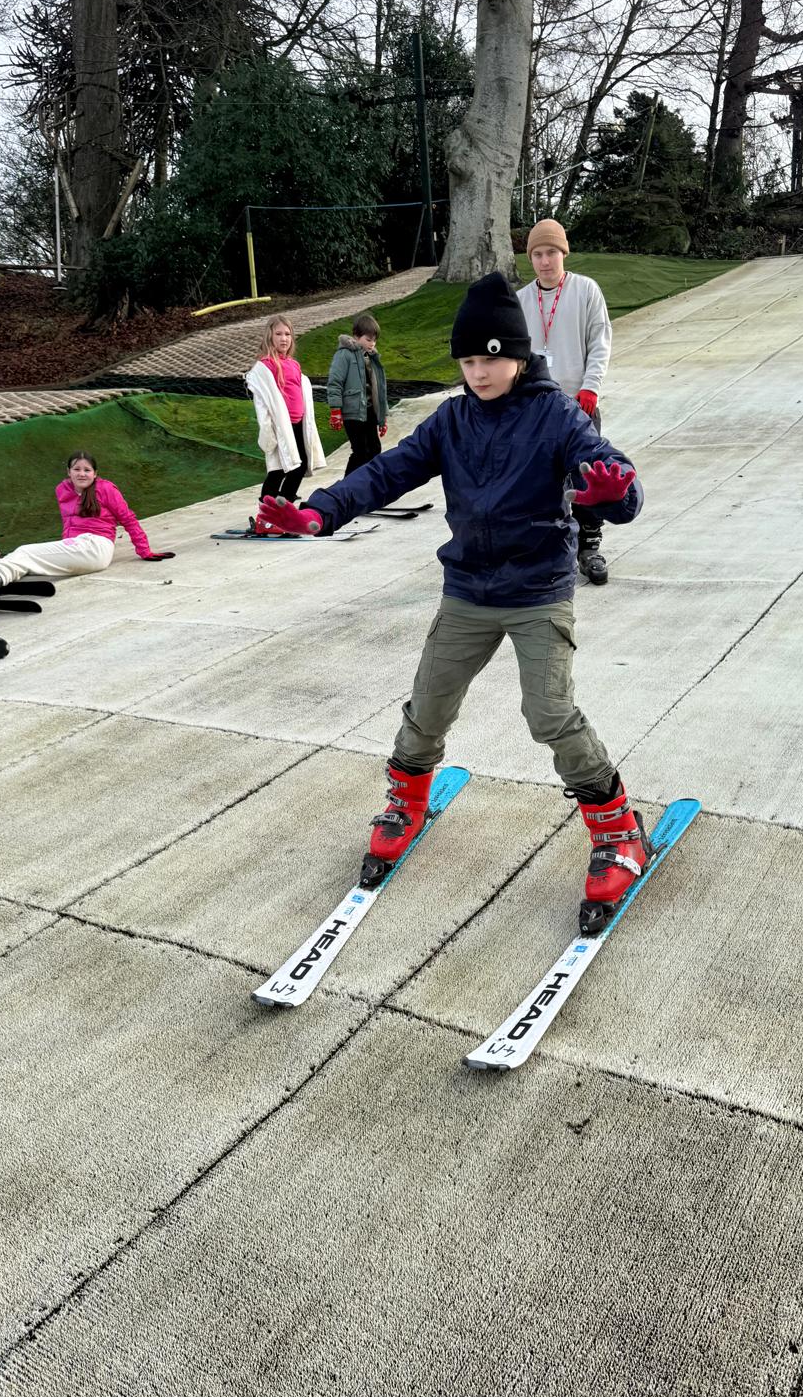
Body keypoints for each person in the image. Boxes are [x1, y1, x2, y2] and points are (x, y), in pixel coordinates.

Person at [258, 272, 649, 934]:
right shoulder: (453, 419)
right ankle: (406, 801)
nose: (479, 372)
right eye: (467, 361)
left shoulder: (557, 415)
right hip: (468, 588)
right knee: (429, 704)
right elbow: (387, 471)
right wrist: (321, 511)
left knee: (550, 713)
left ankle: (617, 829)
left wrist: (616, 495)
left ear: (518, 355)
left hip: (536, 591)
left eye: (490, 358)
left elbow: (610, 473)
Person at [517, 218, 614, 586]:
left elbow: (600, 341)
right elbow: (515, 357)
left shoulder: (586, 291)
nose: (545, 261)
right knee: (539, 479)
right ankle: (548, 545)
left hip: (578, 404)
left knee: (586, 474)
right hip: (536, 407)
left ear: (564, 253)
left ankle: (589, 544)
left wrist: (591, 387)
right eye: (538, 254)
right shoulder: (521, 300)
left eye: (552, 253)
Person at [0, 451, 174, 586]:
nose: (82, 474)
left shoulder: (105, 489)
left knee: (25, 551)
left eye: (87, 470)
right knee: (25, 559)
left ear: (95, 473)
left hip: (95, 545)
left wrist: (145, 551)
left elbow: (128, 519)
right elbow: (68, 523)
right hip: (77, 547)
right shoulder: (62, 490)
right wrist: (66, 544)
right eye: (77, 469)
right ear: (69, 471)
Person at [246, 315, 326, 534]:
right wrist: (268, 428)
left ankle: (282, 511)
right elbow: (264, 400)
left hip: (298, 423)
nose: (284, 338)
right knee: (279, 469)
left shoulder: (293, 364)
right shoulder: (266, 366)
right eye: (279, 334)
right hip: (282, 427)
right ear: (270, 336)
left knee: (300, 465)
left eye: (288, 334)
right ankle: (264, 518)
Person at [326, 311, 389, 475]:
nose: (372, 344)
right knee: (361, 452)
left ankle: (367, 484)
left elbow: (380, 389)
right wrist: (335, 410)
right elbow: (335, 383)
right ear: (356, 336)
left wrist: (382, 417)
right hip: (353, 412)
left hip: (369, 411)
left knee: (375, 449)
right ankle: (347, 486)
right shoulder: (344, 355)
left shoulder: (373, 358)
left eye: (374, 340)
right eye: (368, 340)